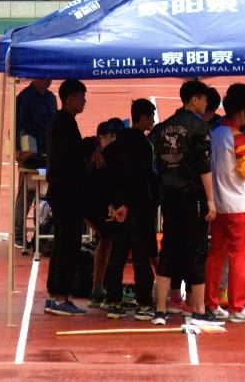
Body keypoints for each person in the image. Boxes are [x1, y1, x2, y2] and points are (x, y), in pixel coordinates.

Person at [149, 80, 224, 327]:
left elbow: (155, 164)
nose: (206, 103)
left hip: (169, 198)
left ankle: (160, 310)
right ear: (194, 100)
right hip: (193, 198)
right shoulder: (200, 127)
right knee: (197, 250)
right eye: (204, 99)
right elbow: (204, 167)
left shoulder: (162, 128)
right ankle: (199, 309)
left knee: (168, 249)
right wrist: (211, 200)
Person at [205, 93, 245, 323]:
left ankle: (211, 303)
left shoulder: (214, 133)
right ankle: (237, 307)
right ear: (243, 112)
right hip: (238, 204)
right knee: (239, 256)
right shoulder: (240, 138)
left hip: (218, 203)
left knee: (216, 254)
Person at [100, 99, 159, 321]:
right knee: (141, 256)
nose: (153, 121)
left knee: (117, 254)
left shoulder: (114, 146)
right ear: (142, 118)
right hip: (138, 209)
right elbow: (142, 179)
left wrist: (112, 204)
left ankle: (113, 301)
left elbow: (106, 178)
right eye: (151, 117)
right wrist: (128, 204)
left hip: (117, 210)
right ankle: (144, 303)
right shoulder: (144, 146)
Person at [42, 80, 91, 316]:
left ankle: (55, 293)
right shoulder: (63, 122)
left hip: (62, 191)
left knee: (63, 242)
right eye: (81, 97)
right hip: (66, 192)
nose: (84, 101)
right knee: (69, 243)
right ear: (70, 99)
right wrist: (91, 148)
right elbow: (72, 156)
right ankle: (61, 297)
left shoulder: (62, 121)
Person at [81, 118, 124, 309]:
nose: (114, 140)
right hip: (92, 206)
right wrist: (94, 150)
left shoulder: (113, 154)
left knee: (106, 241)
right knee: (109, 241)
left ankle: (99, 290)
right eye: (111, 136)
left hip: (98, 206)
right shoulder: (94, 150)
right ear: (101, 137)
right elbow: (85, 143)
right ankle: (104, 292)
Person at [14, 79, 57, 248]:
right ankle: (19, 233)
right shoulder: (24, 98)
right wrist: (19, 150)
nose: (50, 79)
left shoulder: (51, 97)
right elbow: (17, 126)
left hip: (49, 153)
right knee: (27, 194)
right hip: (30, 154)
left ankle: (44, 230)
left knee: (48, 193)